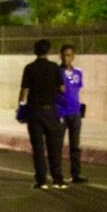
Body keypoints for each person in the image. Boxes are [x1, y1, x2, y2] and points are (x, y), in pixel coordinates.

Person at [18, 38, 66, 188]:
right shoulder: (54, 68)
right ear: (48, 51)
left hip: (34, 111)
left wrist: (21, 109)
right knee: (54, 146)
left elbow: (24, 91)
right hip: (51, 111)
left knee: (38, 147)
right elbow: (62, 89)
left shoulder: (29, 68)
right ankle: (58, 179)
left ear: (35, 51)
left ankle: (41, 180)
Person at [58, 44, 86, 183]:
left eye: (69, 55)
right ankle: (57, 174)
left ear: (73, 56)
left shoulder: (78, 73)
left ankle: (76, 174)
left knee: (75, 145)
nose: (66, 58)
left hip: (75, 112)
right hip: (61, 112)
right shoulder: (57, 72)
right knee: (57, 145)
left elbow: (76, 90)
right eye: (64, 55)